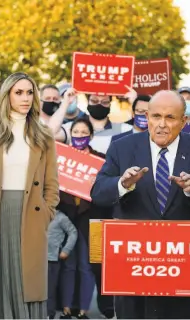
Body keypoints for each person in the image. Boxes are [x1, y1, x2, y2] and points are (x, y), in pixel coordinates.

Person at [90, 90, 190, 319]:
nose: (162, 125)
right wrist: (122, 184)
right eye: (156, 116)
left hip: (185, 267)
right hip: (135, 267)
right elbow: (98, 192)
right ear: (147, 117)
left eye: (170, 117)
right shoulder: (122, 147)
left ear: (183, 121)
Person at [0, 72, 60, 319]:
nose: (25, 98)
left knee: (27, 280)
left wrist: (47, 211)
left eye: (30, 92)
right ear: (7, 95)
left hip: (31, 211)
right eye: (19, 92)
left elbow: (52, 183)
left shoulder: (43, 133)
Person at [57, 118, 112, 320]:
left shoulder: (101, 160)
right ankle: (66, 308)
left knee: (86, 265)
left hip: (91, 218)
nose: (80, 136)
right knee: (68, 266)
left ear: (91, 135)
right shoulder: (60, 158)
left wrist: (95, 184)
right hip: (66, 218)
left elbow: (107, 192)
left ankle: (83, 310)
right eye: (76, 132)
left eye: (83, 132)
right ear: (71, 134)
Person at [47, 211, 77, 319]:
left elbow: (73, 232)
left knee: (49, 289)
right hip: (36, 258)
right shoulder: (35, 214)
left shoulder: (60, 217)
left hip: (52, 258)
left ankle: (49, 314)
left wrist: (66, 250)